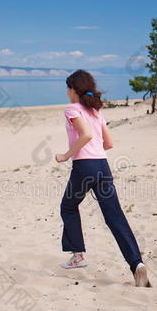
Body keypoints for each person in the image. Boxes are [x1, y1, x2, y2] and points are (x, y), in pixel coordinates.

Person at [54, 69, 151, 287]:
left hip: (84, 166)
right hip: (103, 167)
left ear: (73, 89)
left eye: (67, 89)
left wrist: (66, 155)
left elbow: (86, 135)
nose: (67, 93)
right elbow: (109, 144)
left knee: (68, 207)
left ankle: (78, 256)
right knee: (115, 218)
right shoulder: (96, 112)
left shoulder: (72, 109)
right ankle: (136, 264)